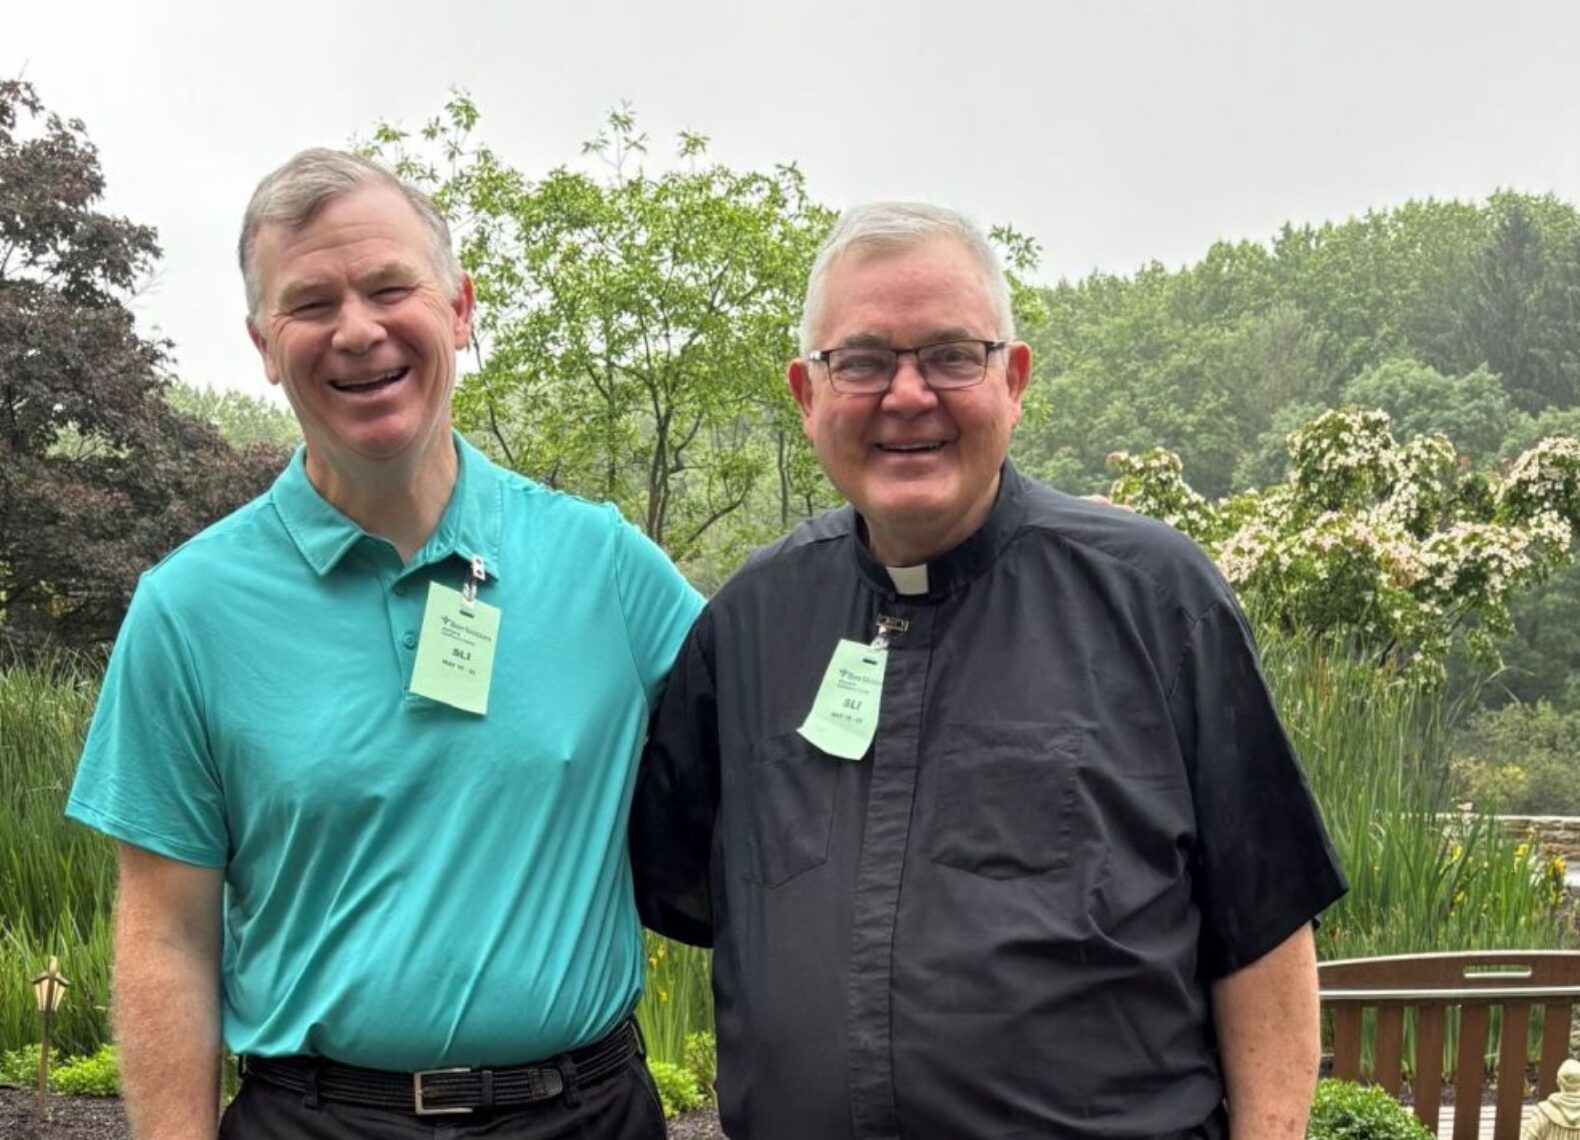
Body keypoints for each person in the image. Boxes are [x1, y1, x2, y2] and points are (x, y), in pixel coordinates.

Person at [630, 202, 1348, 1140]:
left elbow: (1265, 925)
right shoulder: (748, 626)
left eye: (950, 356)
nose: (907, 395)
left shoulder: (1155, 600)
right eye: (862, 361)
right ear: (807, 394)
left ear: (1013, 380)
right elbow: (683, 882)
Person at [66, 149, 700, 1140]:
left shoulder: (605, 566)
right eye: (310, 303)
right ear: (263, 345)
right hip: (316, 1118)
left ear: (460, 308)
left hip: (584, 1113)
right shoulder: (187, 611)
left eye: (390, 287)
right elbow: (168, 935)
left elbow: (776, 745)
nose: (357, 330)